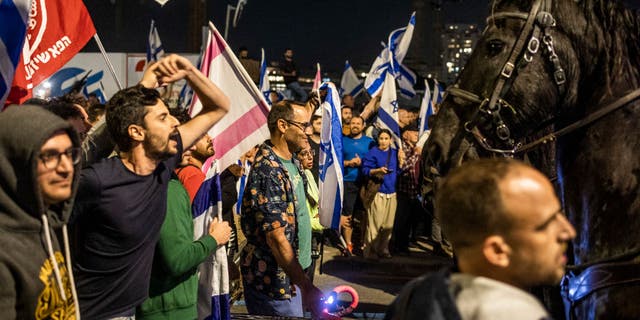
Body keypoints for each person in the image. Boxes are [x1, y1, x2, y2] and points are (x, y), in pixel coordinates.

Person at [70, 54, 230, 319]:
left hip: (131, 312)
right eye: (163, 117)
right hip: (92, 313)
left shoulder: (163, 166)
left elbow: (218, 107)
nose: (175, 123)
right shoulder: (97, 181)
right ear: (136, 132)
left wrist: (189, 72)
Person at [385, 159, 576, 320]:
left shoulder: (413, 296)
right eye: (547, 223)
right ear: (497, 251)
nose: (568, 232)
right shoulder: (519, 314)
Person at [240, 100, 324, 318]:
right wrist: (305, 286)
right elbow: (276, 238)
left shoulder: (292, 161)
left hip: (294, 276)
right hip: (275, 282)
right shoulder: (268, 171)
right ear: (283, 126)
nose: (308, 132)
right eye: (303, 125)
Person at [0, 107, 81, 319]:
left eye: (70, 154)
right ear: (15, 163)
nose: (66, 168)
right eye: (50, 156)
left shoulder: (45, 221)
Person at [136, 165, 232, 319]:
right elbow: (177, 259)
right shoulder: (170, 188)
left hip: (166, 304)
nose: (208, 140)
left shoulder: (157, 182)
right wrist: (214, 239)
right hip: (169, 309)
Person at [361, 129, 404, 259]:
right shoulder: (373, 153)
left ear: (390, 140)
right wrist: (378, 171)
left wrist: (401, 163)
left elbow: (398, 172)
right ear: (378, 139)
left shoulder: (395, 153)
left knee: (388, 225)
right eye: (381, 138)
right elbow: (365, 170)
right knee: (375, 224)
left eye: (386, 138)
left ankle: (383, 249)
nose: (384, 141)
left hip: (392, 193)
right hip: (378, 192)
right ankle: (370, 252)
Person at [341, 115, 374, 255]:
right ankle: (348, 244)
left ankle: (363, 244)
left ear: (363, 126)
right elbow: (336, 162)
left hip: (365, 183)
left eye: (357, 123)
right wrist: (349, 163)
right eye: (352, 123)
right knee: (348, 214)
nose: (355, 125)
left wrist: (363, 163)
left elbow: (376, 161)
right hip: (348, 182)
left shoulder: (370, 142)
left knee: (365, 215)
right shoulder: (343, 141)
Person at [392, 122, 423, 255]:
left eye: (417, 132)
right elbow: (402, 168)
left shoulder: (417, 148)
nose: (417, 135)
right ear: (405, 135)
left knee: (409, 221)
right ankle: (396, 246)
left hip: (414, 190)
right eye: (413, 132)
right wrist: (414, 155)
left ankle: (404, 246)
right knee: (400, 220)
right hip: (402, 190)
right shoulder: (402, 149)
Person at [296, 146, 324, 283]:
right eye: (304, 154)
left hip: (315, 234)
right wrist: (325, 221)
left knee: (310, 278)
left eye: (310, 152)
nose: (310, 157)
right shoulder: (297, 179)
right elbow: (303, 216)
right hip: (306, 235)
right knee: (304, 278)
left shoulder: (308, 174)